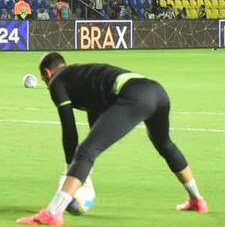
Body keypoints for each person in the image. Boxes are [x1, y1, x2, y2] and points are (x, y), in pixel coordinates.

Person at [16, 53, 208, 225]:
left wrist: (72, 166)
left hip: (135, 95)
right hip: (157, 92)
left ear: (47, 73)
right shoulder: (82, 76)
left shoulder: (57, 81)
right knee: (164, 144)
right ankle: (197, 200)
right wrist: (83, 166)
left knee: (84, 151)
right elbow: (97, 117)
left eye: (44, 79)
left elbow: (69, 128)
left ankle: (52, 213)